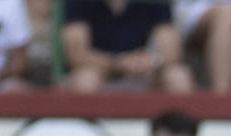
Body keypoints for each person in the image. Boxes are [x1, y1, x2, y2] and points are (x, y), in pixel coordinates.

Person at [61, 0, 192, 92]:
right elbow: (77, 55)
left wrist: (151, 61)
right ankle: (87, 131)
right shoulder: (77, 2)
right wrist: (118, 63)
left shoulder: (155, 2)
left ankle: (177, 130)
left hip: (143, 72)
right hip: (101, 71)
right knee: (86, 79)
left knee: (178, 76)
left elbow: (171, 52)